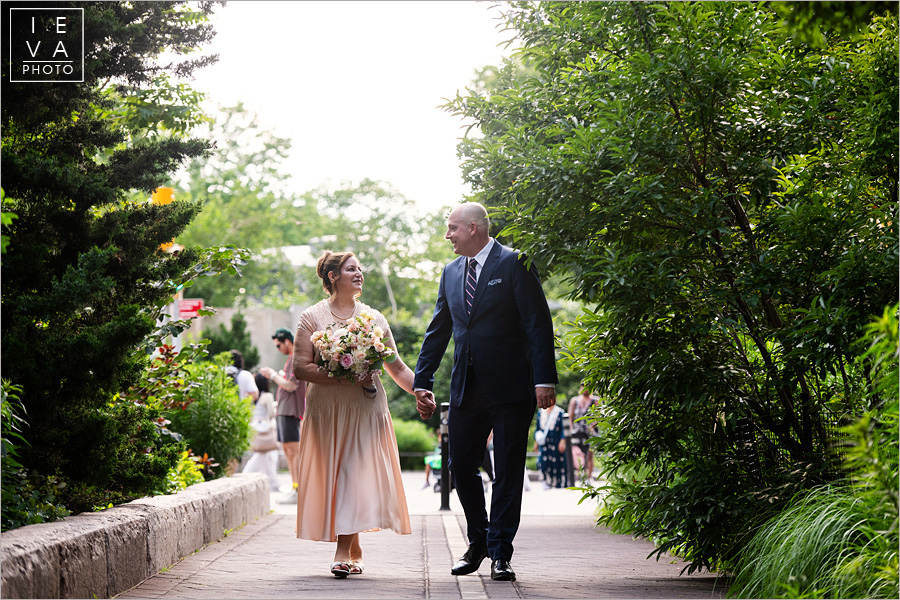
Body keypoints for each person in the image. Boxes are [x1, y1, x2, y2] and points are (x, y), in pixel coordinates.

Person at [413, 202, 558, 582]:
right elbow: (438, 330)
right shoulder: (450, 272)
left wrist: (544, 379)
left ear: (473, 228)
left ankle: (500, 553)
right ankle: (478, 542)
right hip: (467, 387)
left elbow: (538, 324)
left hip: (512, 388)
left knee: (507, 472)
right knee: (460, 465)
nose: (448, 235)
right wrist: (422, 381)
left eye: (452, 228)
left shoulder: (515, 263)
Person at [291, 250, 435, 578]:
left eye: (360, 268)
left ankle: (342, 551)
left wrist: (420, 390)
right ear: (332, 276)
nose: (359, 273)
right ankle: (354, 549)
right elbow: (301, 368)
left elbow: (396, 367)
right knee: (340, 475)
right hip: (327, 411)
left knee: (352, 474)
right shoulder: (311, 317)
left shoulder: (374, 319)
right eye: (351, 269)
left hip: (366, 409)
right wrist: (342, 374)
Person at [259, 328, 307, 505]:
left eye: (278, 345)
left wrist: (272, 375)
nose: (278, 349)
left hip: (290, 410)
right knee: (288, 450)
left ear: (287, 341)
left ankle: (298, 490)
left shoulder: (296, 357)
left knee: (293, 451)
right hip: (285, 410)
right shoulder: (292, 358)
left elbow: (291, 385)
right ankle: (295, 488)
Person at [242, 372, 281, 492]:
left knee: (264, 456)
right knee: (265, 456)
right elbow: (271, 414)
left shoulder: (251, 397)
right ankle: (245, 477)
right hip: (265, 429)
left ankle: (274, 483)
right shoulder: (267, 396)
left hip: (254, 428)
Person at [568, 384, 599, 481]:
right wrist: (571, 429)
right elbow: (570, 416)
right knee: (577, 453)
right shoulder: (575, 400)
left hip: (590, 431)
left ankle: (589, 476)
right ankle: (581, 475)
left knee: (589, 454)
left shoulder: (595, 400)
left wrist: (592, 426)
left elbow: (598, 416)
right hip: (577, 431)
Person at [535, 404, 567, 489]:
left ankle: (557, 482)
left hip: (556, 442)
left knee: (557, 462)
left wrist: (562, 441)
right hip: (544, 443)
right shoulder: (540, 412)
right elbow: (537, 428)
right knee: (542, 462)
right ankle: (546, 481)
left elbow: (563, 429)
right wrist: (536, 442)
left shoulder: (560, 412)